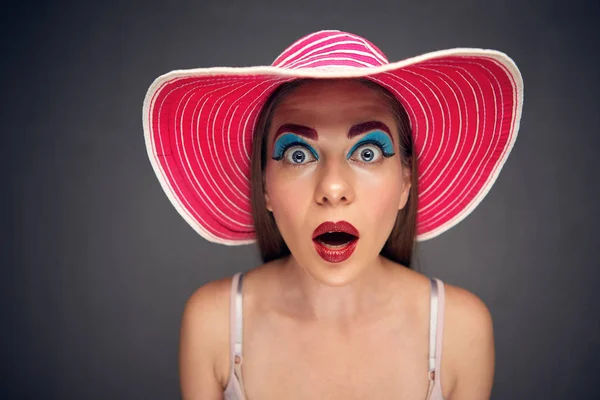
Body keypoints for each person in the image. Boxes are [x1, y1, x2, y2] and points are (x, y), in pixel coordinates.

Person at [142, 30, 523, 400]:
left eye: (368, 152)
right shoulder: (214, 324)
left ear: (406, 181)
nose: (333, 188)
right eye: (298, 154)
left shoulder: (460, 331)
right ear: (264, 187)